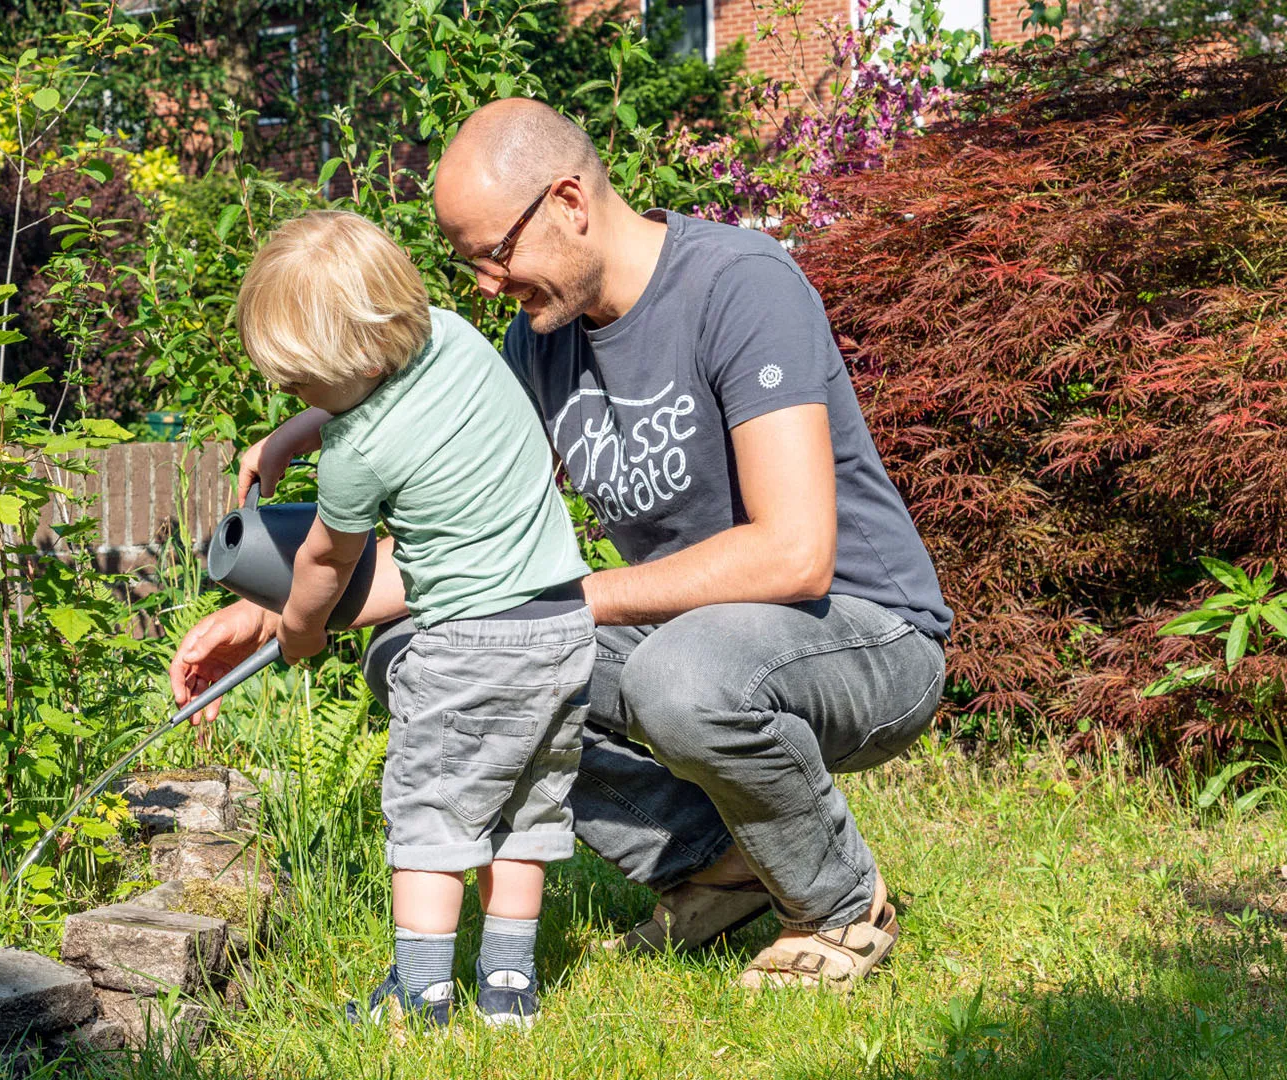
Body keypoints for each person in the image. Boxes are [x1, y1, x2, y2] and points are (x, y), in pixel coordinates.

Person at [174, 98, 953, 992]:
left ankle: (838, 906)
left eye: (493, 254)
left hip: (864, 632)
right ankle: (715, 863)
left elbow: (793, 555)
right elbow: (459, 562)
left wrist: (573, 600)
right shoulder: (539, 343)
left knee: (677, 679)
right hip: (692, 633)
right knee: (427, 660)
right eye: (467, 264)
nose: (484, 285)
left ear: (571, 202)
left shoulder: (741, 284)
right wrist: (271, 614)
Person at [233, 210, 595, 1028]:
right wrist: (295, 431)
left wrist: (299, 628)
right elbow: (374, 392)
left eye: (300, 385)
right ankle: (509, 990)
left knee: (433, 817)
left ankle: (421, 994)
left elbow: (328, 563)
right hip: (566, 625)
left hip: (467, 644)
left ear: (357, 361)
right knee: (526, 815)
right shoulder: (456, 336)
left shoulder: (357, 455)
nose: (296, 397)